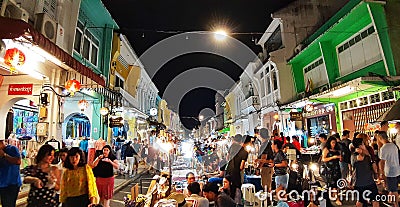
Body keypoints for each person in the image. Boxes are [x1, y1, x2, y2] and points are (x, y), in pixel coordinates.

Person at [351, 138, 379, 207]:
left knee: (361, 200)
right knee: (375, 200)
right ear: (361, 145)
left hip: (358, 183)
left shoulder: (352, 155)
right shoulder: (366, 156)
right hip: (369, 182)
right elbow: (375, 169)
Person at [377, 131, 400, 207]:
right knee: (392, 189)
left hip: (390, 172)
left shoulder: (384, 148)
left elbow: (382, 162)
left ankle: (395, 204)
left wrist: (381, 173)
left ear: (380, 138)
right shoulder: (394, 145)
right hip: (397, 170)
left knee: (393, 190)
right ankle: (391, 202)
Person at [225, 134, 248, 203]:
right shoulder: (244, 151)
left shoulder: (231, 147)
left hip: (228, 171)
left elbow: (227, 158)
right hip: (236, 173)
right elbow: (242, 166)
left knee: (228, 188)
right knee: (236, 189)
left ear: (234, 140)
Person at [0, 137, 22, 207]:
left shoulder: (12, 149)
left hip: (12, 184)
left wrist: (4, 155)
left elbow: (18, 161)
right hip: (2, 184)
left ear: (2, 142)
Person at [321, 136, 342, 206]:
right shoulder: (326, 149)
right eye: (332, 143)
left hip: (337, 168)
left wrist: (339, 158)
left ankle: (335, 196)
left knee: (337, 184)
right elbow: (323, 159)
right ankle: (336, 198)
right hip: (330, 169)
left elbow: (340, 158)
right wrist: (333, 157)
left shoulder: (337, 150)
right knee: (333, 184)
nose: (334, 144)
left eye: (335, 143)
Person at [255, 128, 273, 192]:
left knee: (266, 187)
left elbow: (264, 158)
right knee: (267, 186)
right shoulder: (268, 143)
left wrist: (258, 168)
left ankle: (267, 201)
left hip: (266, 168)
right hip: (268, 168)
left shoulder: (265, 144)